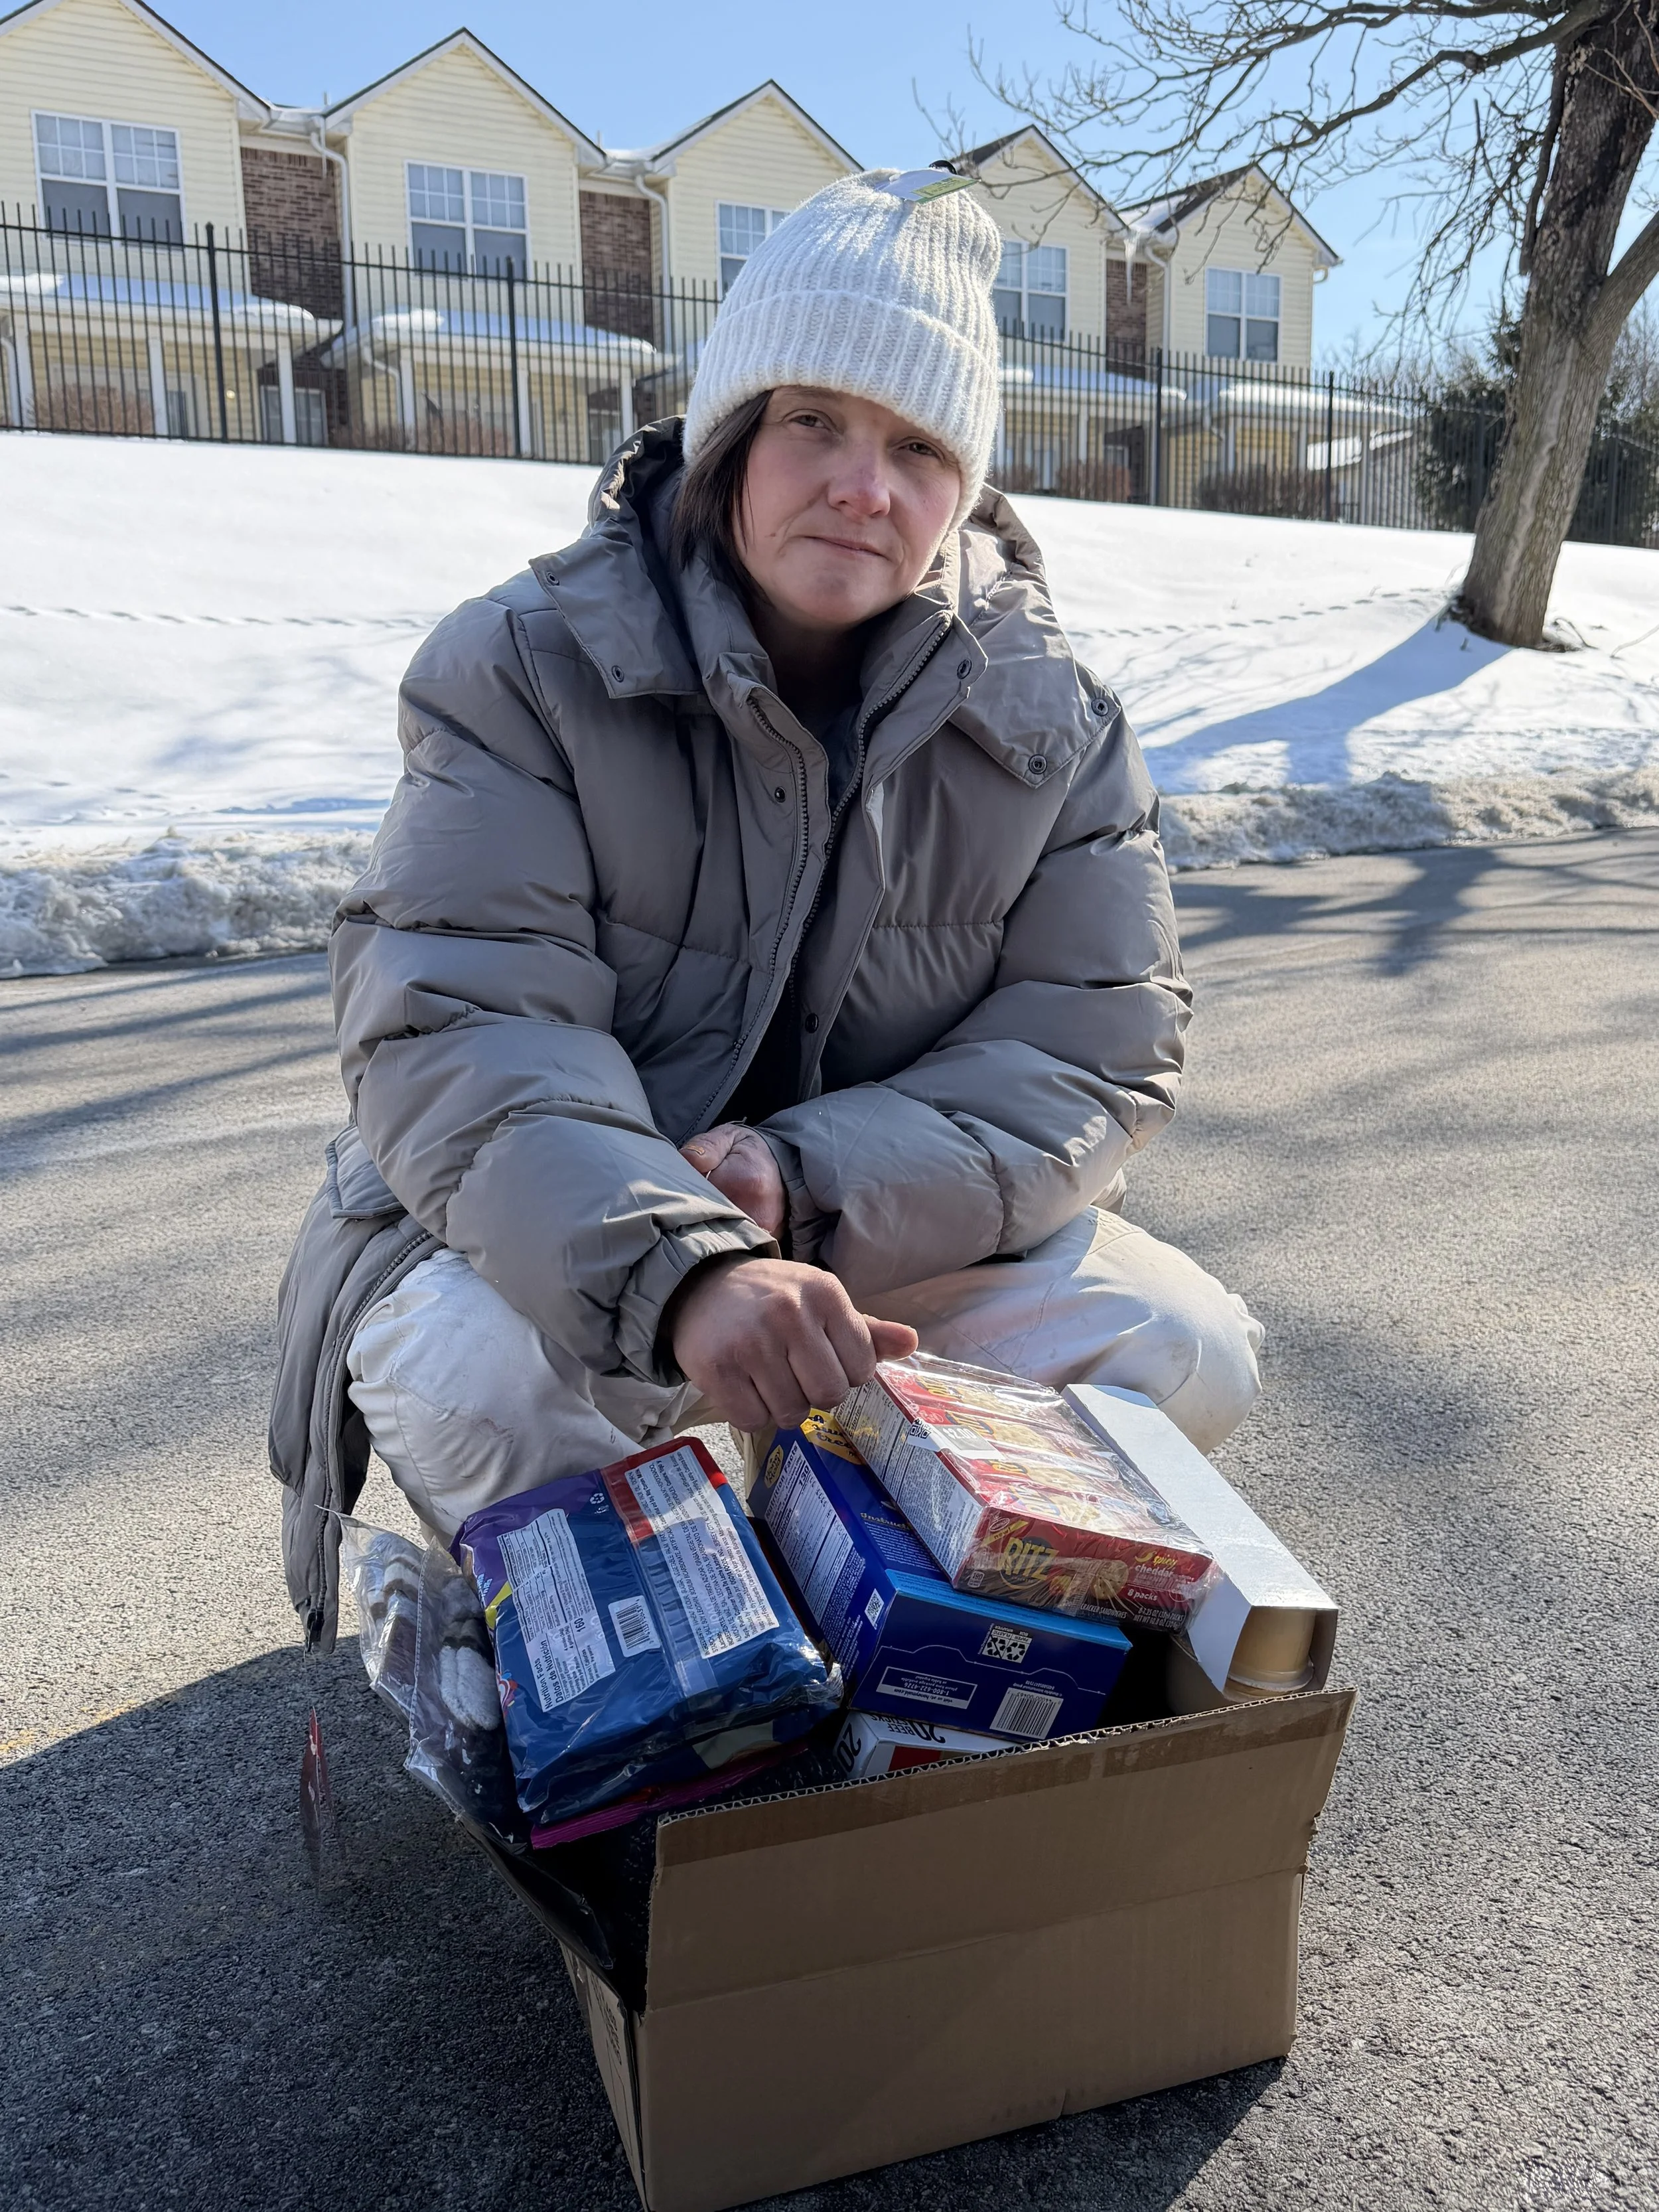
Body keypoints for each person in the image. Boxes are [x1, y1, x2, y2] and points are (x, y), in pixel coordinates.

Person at [270, 169, 1262, 1633]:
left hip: (859, 1229)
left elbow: (1089, 1053)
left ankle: (871, 1615)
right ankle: (649, 1662)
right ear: (734, 434)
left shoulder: (1055, 724)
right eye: (815, 422)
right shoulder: (520, 666)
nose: (865, 487)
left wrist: (800, 1179)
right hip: (564, 1242)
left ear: (964, 485)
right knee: (470, 1375)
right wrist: (683, 1266)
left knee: (1182, 1345)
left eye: (918, 445)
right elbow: (462, 1020)